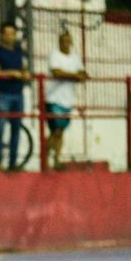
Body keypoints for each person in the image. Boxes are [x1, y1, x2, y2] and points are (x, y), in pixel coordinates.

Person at [45, 31, 88, 170]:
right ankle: (44, 157)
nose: (65, 43)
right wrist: (74, 75)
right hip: (53, 99)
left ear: (71, 42)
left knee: (61, 131)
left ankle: (56, 159)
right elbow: (57, 73)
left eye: (67, 41)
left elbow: (84, 74)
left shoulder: (75, 58)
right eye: (62, 41)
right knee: (55, 130)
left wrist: (73, 75)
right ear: (59, 42)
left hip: (67, 100)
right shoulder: (54, 55)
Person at [0, 22, 30, 171]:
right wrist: (11, 73)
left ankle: (13, 163)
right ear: (2, 35)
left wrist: (25, 74)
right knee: (0, 128)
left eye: (12, 33)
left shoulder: (20, 52)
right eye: (7, 33)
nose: (10, 36)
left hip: (18, 94)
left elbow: (25, 69)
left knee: (16, 129)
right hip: (3, 94)